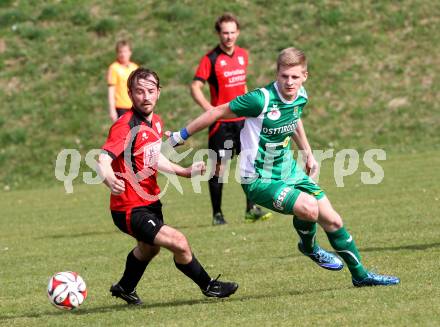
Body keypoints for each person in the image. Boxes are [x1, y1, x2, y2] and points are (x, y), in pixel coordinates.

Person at [169, 48, 400, 287]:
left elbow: (294, 117)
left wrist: (307, 152)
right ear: (277, 74)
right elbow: (217, 111)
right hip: (258, 179)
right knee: (309, 209)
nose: (289, 82)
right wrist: (180, 135)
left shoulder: (301, 95)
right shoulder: (260, 99)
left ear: (305, 76)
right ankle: (309, 247)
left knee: (334, 221)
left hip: (288, 169)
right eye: (284, 76)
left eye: (295, 77)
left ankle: (360, 276)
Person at [98, 67, 238, 305]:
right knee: (179, 242)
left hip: (150, 201)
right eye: (139, 92)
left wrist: (183, 171)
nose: (146, 96)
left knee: (149, 249)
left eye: (150, 91)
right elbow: (102, 158)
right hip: (130, 208)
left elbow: (153, 157)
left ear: (158, 93)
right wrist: (108, 177)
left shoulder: (156, 123)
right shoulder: (125, 125)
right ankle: (209, 286)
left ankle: (125, 287)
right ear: (130, 94)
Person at [191, 13, 271, 225]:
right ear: (219, 33)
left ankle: (251, 208)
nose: (228, 37)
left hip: (243, 122)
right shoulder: (211, 59)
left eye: (232, 32)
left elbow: (243, 87)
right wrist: (210, 110)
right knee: (219, 168)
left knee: (250, 164)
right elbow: (195, 87)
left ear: (238, 33)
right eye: (225, 33)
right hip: (221, 125)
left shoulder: (243, 55)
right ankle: (217, 214)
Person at [107, 40, 139, 122]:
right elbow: (111, 90)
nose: (123, 54)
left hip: (135, 106)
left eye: (125, 51)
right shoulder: (114, 68)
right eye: (120, 52)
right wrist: (112, 109)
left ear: (130, 52)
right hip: (121, 107)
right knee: (125, 133)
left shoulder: (135, 67)